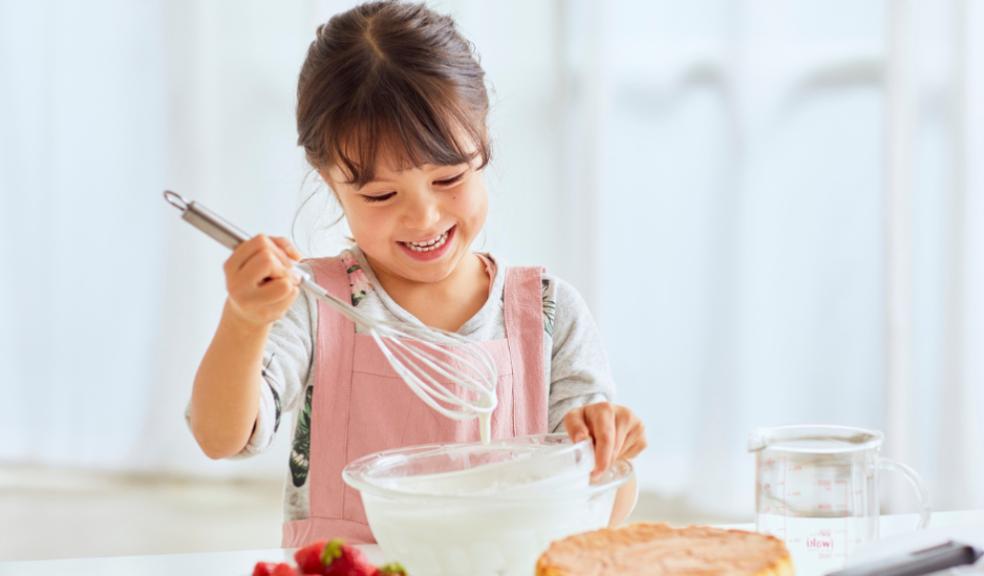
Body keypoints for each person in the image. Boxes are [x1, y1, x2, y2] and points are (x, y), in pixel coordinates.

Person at [187, 0, 647, 546]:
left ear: (484, 144)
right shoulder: (315, 303)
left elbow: (603, 510)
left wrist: (607, 450)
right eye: (381, 194)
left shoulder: (548, 313)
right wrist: (244, 320)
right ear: (328, 178)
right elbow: (221, 438)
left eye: (449, 179)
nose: (424, 217)